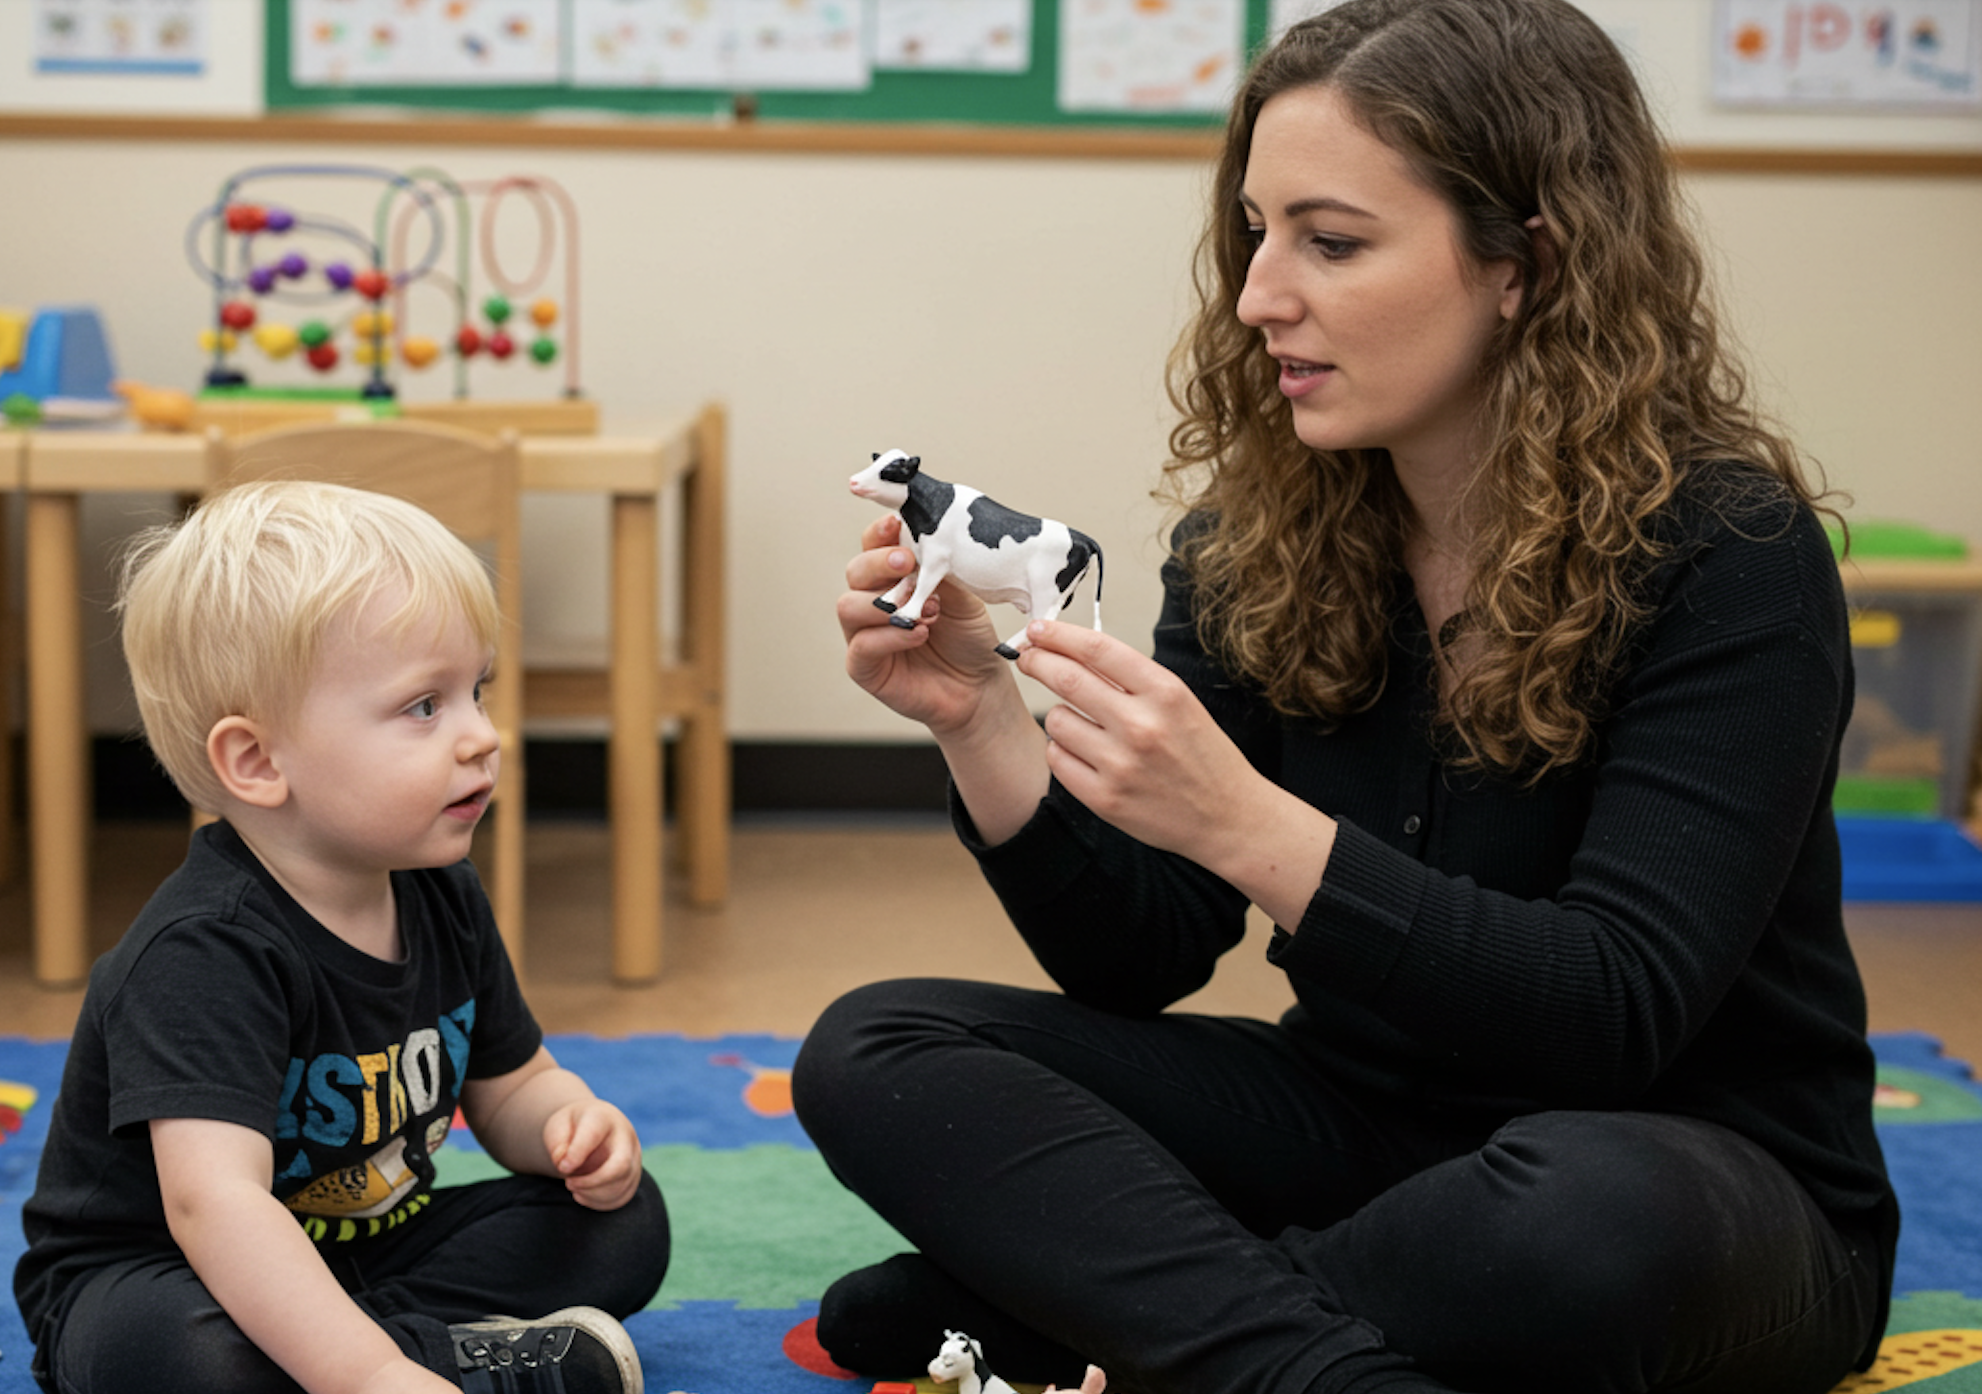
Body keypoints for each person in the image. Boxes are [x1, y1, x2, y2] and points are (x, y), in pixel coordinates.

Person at [797, 2, 1897, 1392]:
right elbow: (1140, 956)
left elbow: (1612, 1007)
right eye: (1255, 233)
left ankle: (1146, 1330)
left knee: (1586, 1212)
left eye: (1329, 241)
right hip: (1367, 1130)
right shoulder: (1259, 535)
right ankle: (1294, 1359)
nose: (1259, 294)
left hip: (1687, 1168)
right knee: (880, 1043)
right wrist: (979, 721)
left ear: (1524, 263)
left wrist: (1251, 826)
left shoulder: (1733, 552)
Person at [14, 480, 671, 1394]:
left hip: (367, 1252)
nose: (483, 736)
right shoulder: (205, 951)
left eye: (475, 690)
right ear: (257, 762)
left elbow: (509, 1083)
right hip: (166, 1272)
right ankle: (422, 1362)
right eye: (422, 708)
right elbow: (215, 1207)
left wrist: (568, 1125)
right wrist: (362, 1375)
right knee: (194, 1359)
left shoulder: (442, 891)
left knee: (623, 1221)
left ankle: (390, 1353)